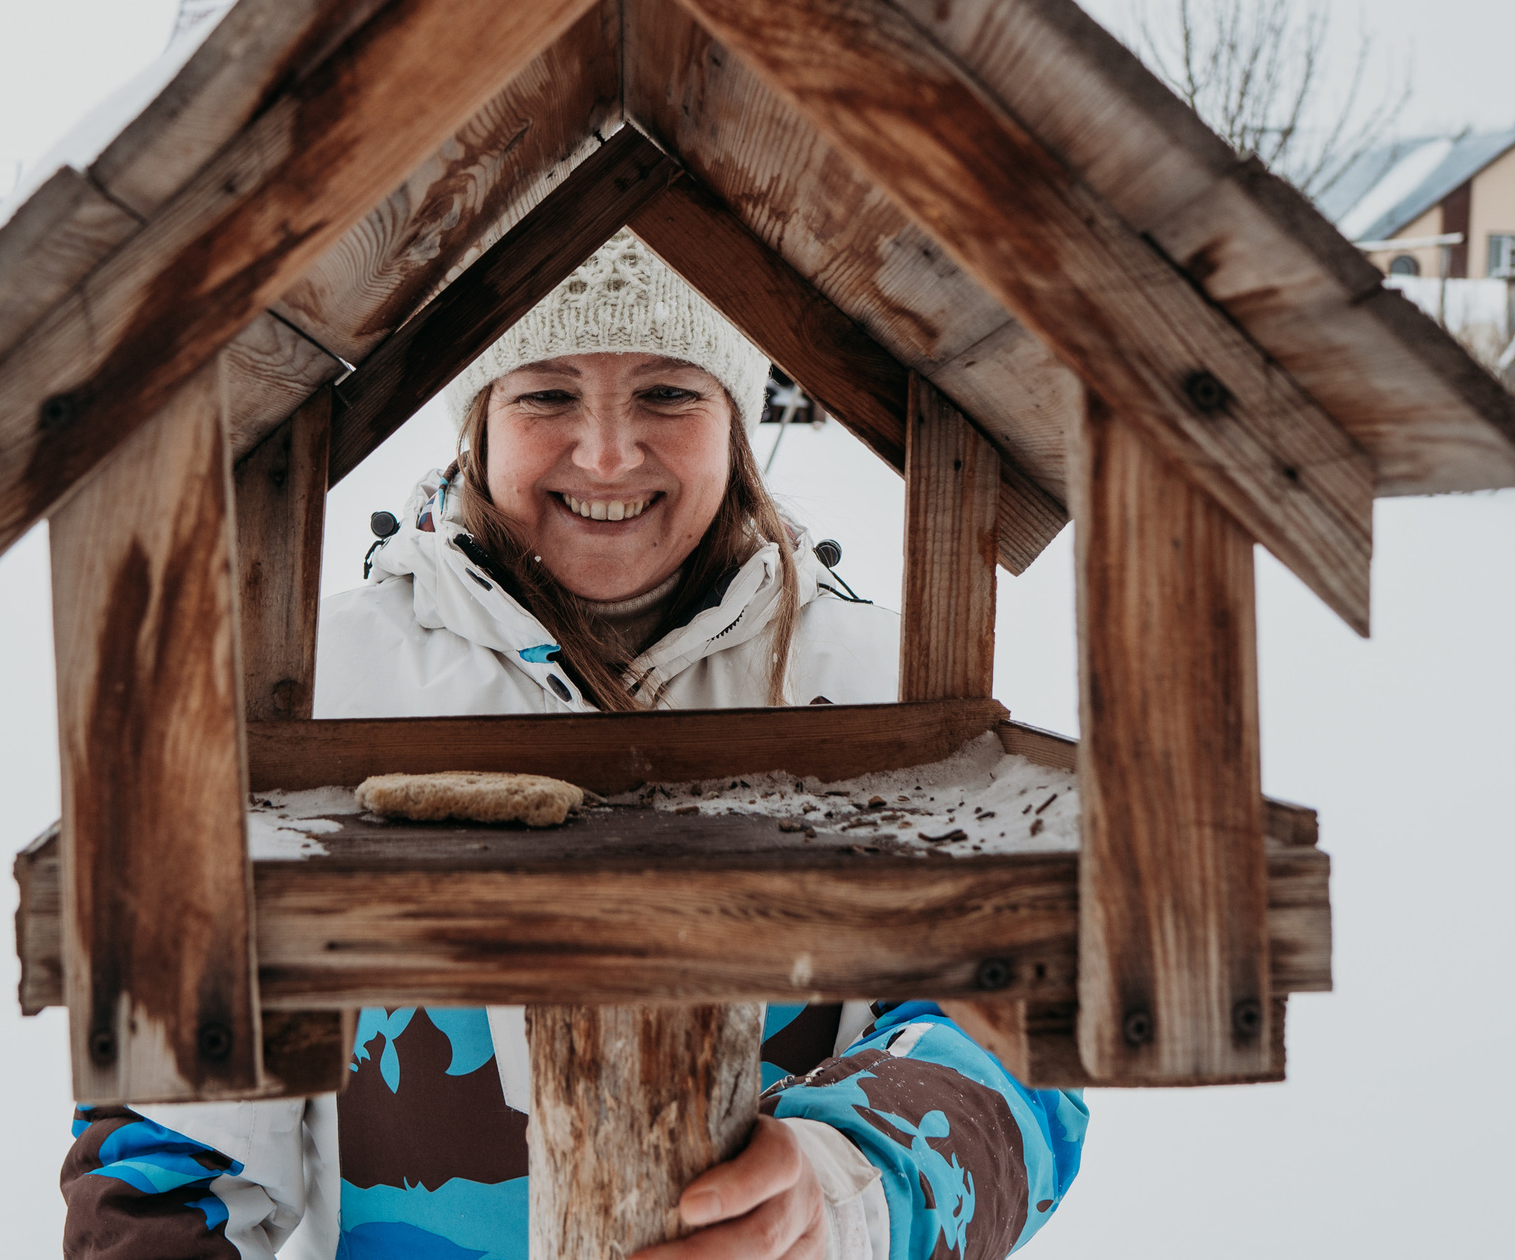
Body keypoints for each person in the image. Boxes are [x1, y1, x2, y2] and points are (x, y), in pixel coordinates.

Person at [62, 233, 1086, 1260]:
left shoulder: (876, 689)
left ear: (734, 418)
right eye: (546, 394)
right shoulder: (320, 687)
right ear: (478, 422)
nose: (605, 454)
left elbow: (1013, 1051)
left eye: (667, 393)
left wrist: (842, 1190)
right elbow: (172, 1131)